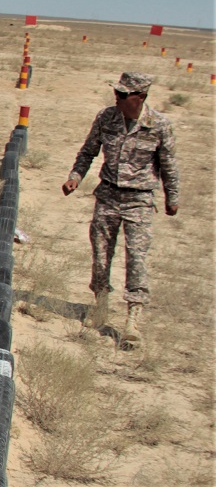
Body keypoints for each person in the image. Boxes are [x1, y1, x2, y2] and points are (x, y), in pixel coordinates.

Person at [62, 71, 179, 349]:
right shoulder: (107, 117)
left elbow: (169, 164)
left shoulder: (159, 125)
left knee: (136, 257)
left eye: (123, 94)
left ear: (140, 97)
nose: (117, 97)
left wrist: (172, 197)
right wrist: (75, 177)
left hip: (139, 200)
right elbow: (88, 151)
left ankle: (132, 319)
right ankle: (100, 303)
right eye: (117, 92)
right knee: (101, 253)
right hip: (108, 195)